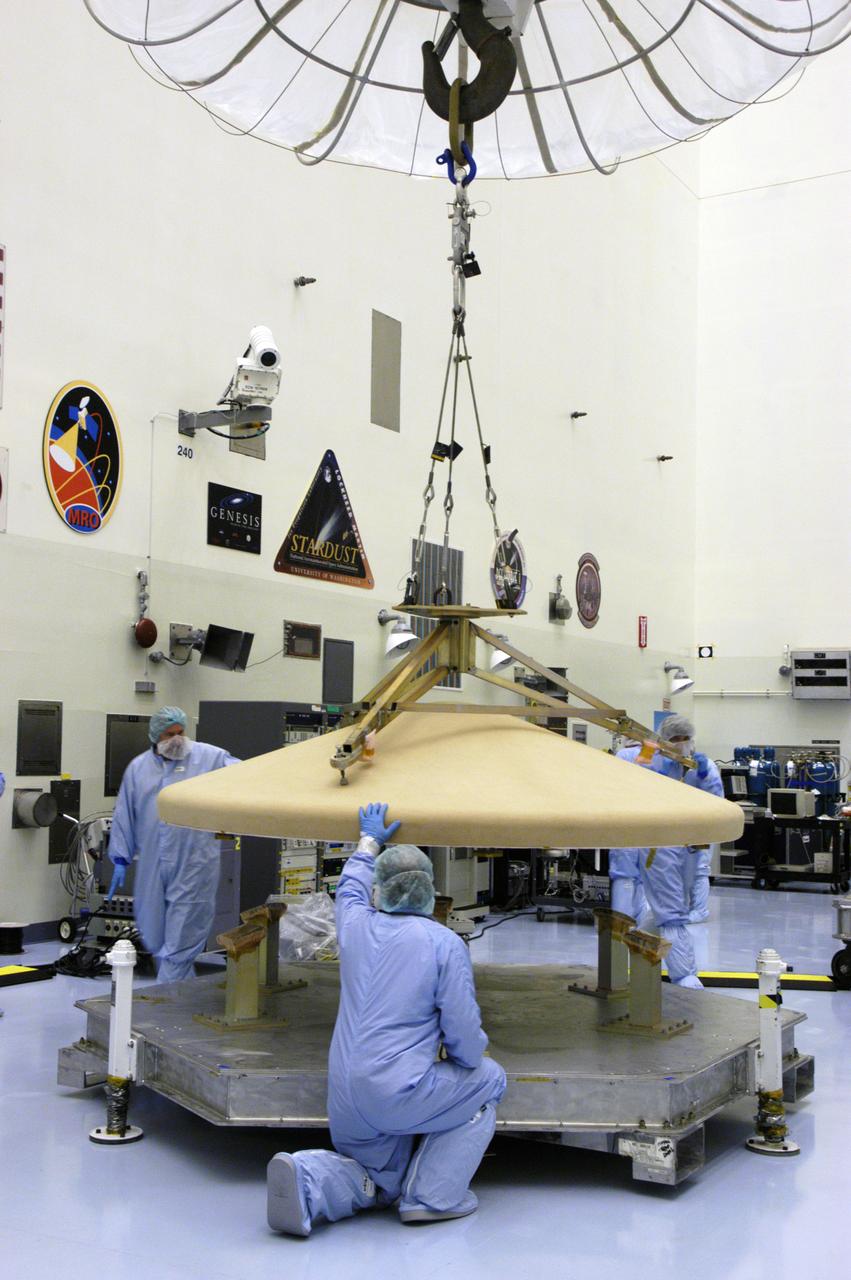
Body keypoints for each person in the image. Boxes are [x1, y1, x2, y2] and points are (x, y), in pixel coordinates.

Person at [267, 802, 506, 1237]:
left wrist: (369, 841)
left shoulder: (355, 924)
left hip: (344, 1095)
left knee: (381, 1178)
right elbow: (464, 1037)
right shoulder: (443, 943)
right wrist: (466, 1058)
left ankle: (308, 1179)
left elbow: (351, 887)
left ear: (383, 888)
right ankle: (432, 1198)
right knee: (489, 1078)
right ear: (430, 890)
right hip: (398, 1093)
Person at [107, 706, 239, 983]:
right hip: (153, 865)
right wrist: (120, 857)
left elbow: (244, 775)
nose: (177, 739)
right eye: (169, 734)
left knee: (180, 940)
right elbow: (125, 812)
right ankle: (182, 995)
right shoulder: (138, 768)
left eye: (181, 732)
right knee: (155, 936)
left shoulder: (208, 757)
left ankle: (166, 1002)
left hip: (194, 863)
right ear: (156, 736)